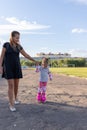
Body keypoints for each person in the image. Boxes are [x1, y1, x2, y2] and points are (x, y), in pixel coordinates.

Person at [0, 31, 38, 112]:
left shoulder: (18, 46)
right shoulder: (6, 45)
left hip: (17, 67)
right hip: (8, 67)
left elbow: (26, 55)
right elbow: (2, 56)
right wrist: (0, 66)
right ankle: (11, 104)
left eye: (19, 38)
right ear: (12, 37)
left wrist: (35, 61)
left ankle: (16, 97)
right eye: (16, 37)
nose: (18, 39)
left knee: (16, 85)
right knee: (11, 85)